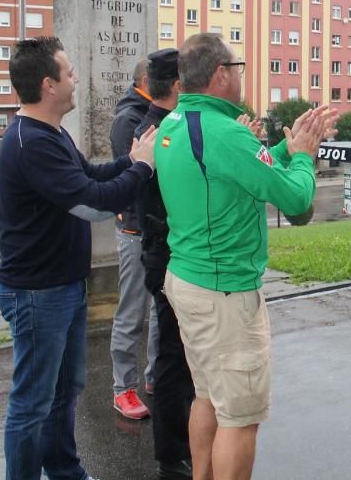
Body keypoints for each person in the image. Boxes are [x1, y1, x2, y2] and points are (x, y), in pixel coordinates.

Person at [157, 33, 336, 480]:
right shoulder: (225, 134)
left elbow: (237, 173)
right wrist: (304, 157)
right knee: (239, 417)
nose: (240, 75)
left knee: (207, 396)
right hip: (226, 294)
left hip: (188, 279)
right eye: (236, 68)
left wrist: (282, 149)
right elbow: (295, 198)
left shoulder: (176, 124)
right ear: (221, 74)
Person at [0, 37, 158, 480]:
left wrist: (131, 159)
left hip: (60, 287)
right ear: (48, 84)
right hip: (36, 294)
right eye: (69, 73)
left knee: (65, 391)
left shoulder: (50, 133)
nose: (76, 79)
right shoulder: (31, 143)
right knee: (32, 403)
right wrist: (141, 169)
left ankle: (66, 471)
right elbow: (92, 204)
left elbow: (88, 173)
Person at [133, 49, 195, 480]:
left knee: (178, 355)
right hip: (168, 254)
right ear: (177, 86)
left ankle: (178, 447)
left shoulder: (152, 127)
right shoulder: (160, 133)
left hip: (161, 252)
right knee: (175, 357)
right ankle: (173, 454)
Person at [109, 58, 159, 419]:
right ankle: (122, 389)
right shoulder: (130, 120)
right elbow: (134, 173)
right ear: (147, 81)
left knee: (158, 310)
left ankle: (155, 377)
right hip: (134, 230)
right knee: (131, 312)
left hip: (153, 227)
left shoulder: (152, 114)